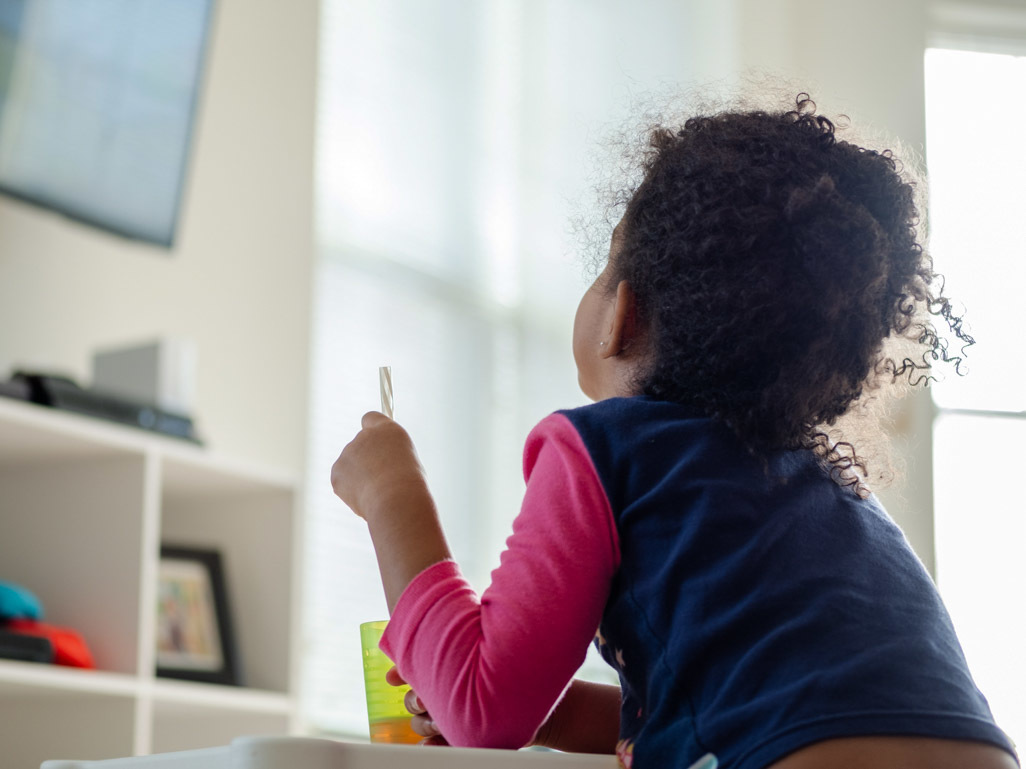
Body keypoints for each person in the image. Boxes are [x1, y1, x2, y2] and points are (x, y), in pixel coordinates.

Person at [330, 94, 1019, 769]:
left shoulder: (604, 449)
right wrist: (554, 710)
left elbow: (482, 710)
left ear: (620, 314)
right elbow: (722, 715)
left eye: (605, 267)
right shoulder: (838, 497)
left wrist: (392, 490)